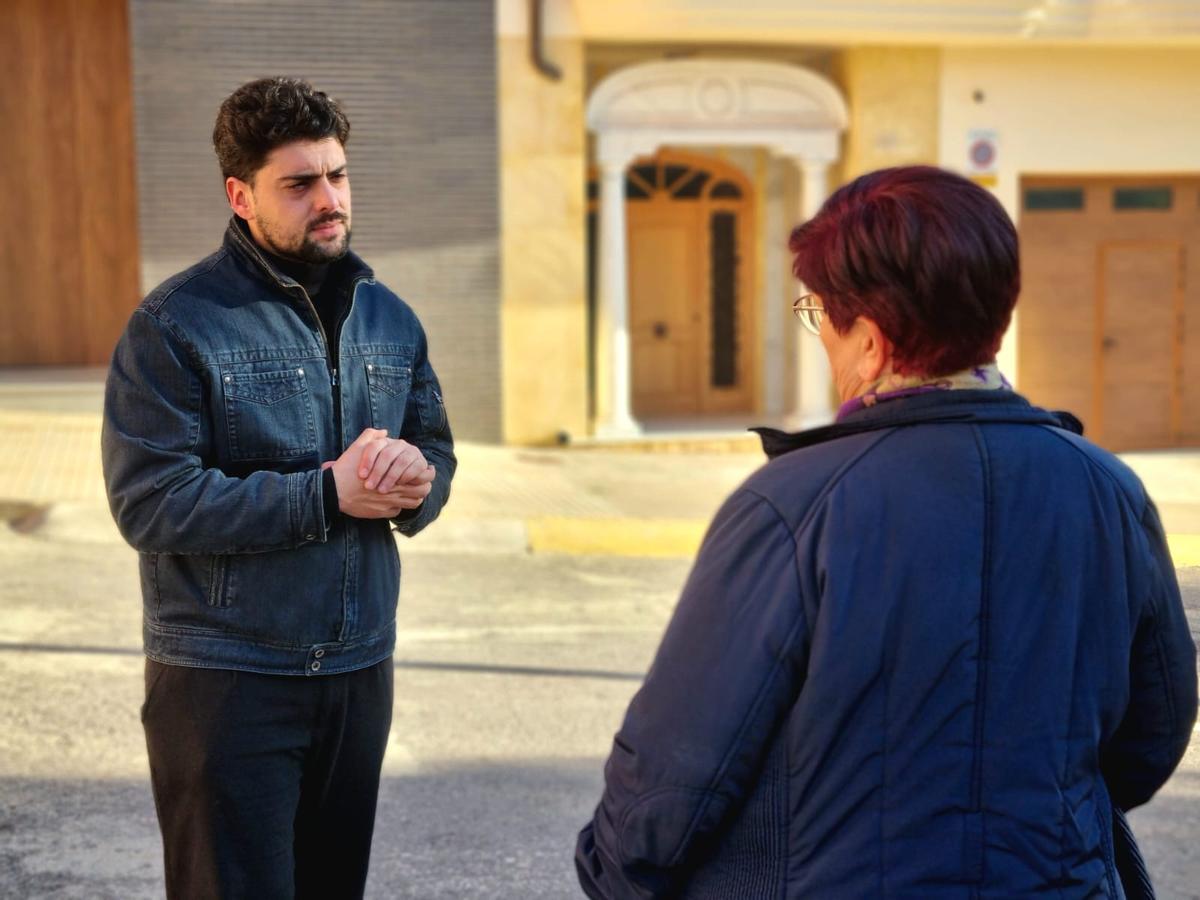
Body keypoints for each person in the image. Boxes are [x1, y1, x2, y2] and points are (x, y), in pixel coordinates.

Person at [575, 165, 1196, 898]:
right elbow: (1151, 736)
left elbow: (675, 774)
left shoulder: (797, 503)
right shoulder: (1106, 488)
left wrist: (611, 874)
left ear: (868, 341)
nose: (821, 338)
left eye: (817, 314)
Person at [102, 77, 455, 898]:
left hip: (360, 669)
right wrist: (326, 493)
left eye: (336, 175)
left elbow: (434, 447)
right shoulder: (175, 325)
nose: (328, 199)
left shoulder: (390, 317)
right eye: (299, 184)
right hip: (228, 681)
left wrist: (418, 481)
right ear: (241, 193)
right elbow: (149, 501)